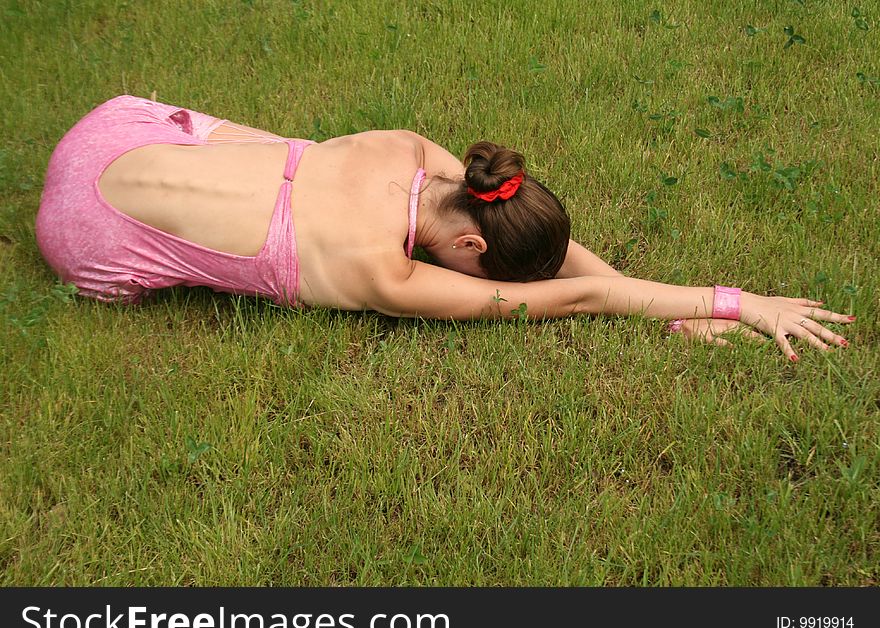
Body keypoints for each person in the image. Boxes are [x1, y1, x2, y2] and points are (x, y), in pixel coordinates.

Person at [35, 95, 854, 361]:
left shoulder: (412, 150)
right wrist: (733, 302)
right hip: (83, 230)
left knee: (274, 151)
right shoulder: (383, 277)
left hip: (114, 128)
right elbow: (578, 296)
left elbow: (554, 256)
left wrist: (671, 304)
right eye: (489, 273)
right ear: (471, 248)